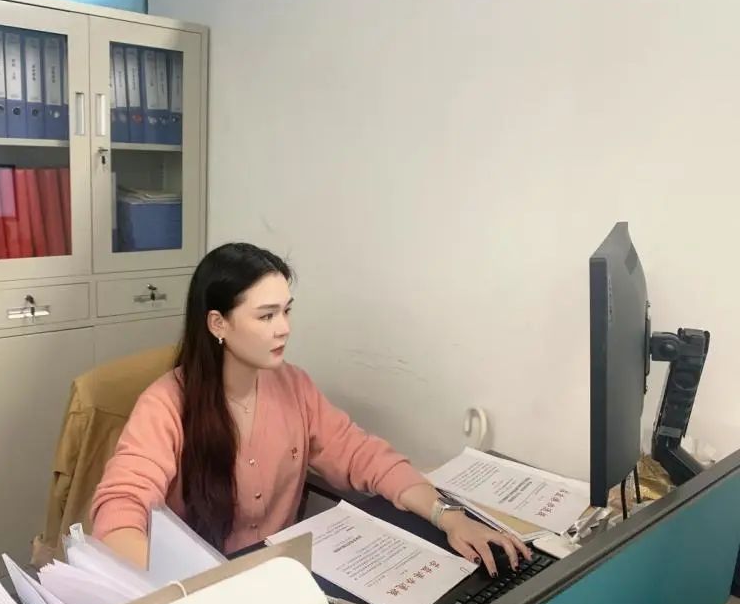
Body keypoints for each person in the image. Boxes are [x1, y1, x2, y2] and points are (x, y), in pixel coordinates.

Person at [91, 243, 530, 575]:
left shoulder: (294, 386)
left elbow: (362, 456)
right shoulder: (166, 404)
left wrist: (448, 516)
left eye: (286, 311)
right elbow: (119, 508)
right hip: (207, 591)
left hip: (282, 580)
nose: (284, 328)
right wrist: (179, 592)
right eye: (266, 316)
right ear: (218, 323)